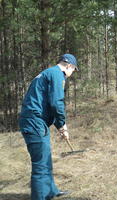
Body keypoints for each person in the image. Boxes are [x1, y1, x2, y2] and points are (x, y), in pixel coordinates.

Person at [19, 54, 79, 200]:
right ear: (69, 66)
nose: (71, 75)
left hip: (36, 121)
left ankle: (51, 190)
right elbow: (56, 103)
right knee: (40, 164)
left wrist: (58, 125)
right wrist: (63, 125)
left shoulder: (48, 73)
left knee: (46, 158)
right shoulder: (57, 74)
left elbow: (49, 103)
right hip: (34, 122)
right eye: (73, 70)